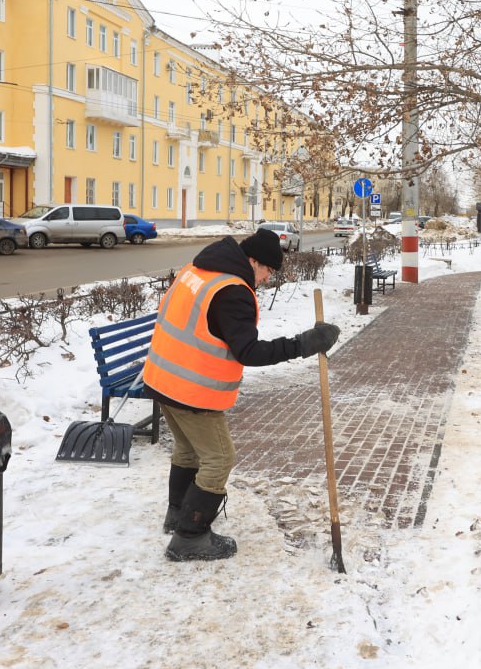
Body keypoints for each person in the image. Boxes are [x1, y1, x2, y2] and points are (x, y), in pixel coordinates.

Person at [142, 228, 340, 562]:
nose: (264, 280)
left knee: (190, 451)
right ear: (252, 261)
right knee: (219, 458)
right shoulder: (231, 291)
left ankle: (178, 515)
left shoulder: (199, 271)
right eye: (266, 271)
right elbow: (249, 351)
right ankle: (189, 537)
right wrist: (304, 344)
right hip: (192, 388)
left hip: (163, 378)